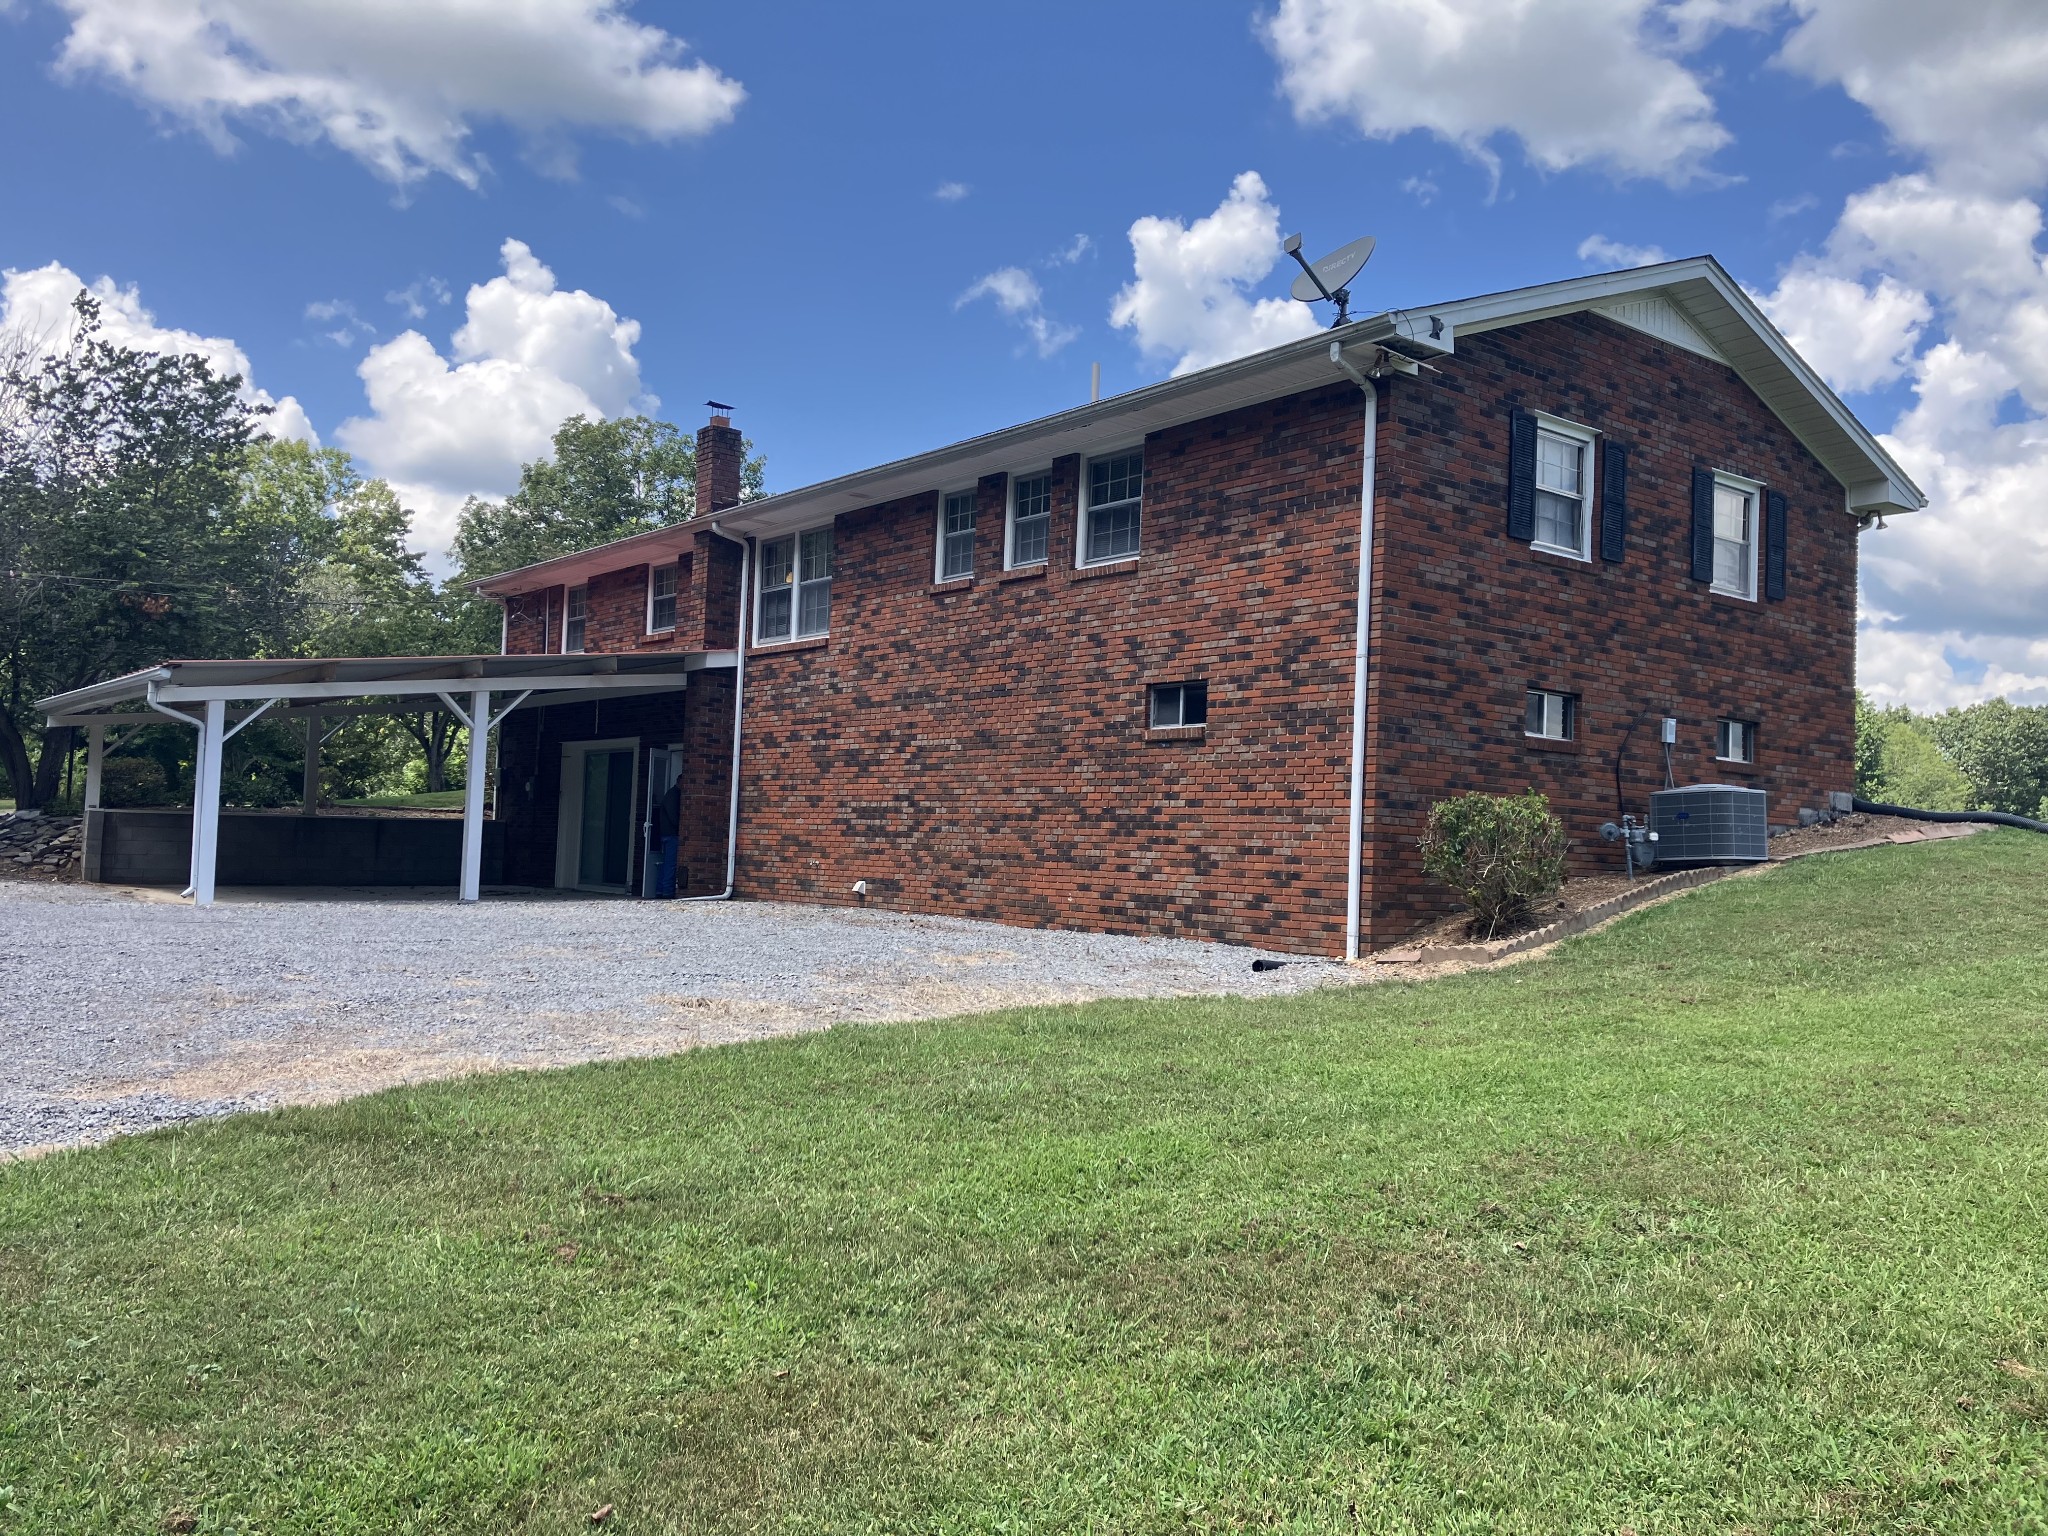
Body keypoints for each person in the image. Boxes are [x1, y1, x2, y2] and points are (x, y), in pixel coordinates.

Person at [654, 775, 681, 898]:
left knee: (666, 864)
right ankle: (667, 892)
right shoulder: (673, 795)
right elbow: (673, 817)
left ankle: (660, 890)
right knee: (670, 865)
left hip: (666, 834)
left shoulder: (671, 794)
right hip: (671, 835)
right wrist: (680, 827)